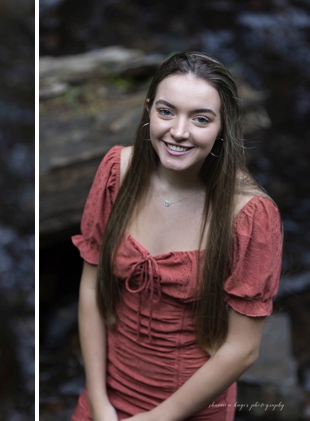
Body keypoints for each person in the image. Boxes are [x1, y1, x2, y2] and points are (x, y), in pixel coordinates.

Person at [71, 52, 282, 420]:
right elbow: (91, 288)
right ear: (149, 109)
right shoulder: (118, 171)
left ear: (223, 126)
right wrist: (99, 401)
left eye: (200, 119)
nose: (179, 131)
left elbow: (242, 349)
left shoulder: (250, 215)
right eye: (167, 112)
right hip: (107, 390)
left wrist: (157, 419)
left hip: (192, 407)